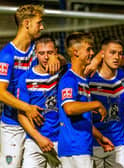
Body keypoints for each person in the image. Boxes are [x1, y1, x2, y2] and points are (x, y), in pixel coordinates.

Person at [0, 4, 60, 168]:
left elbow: (56, 60)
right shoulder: (7, 55)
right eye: (39, 22)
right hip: (13, 126)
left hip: (39, 125)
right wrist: (27, 108)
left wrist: (57, 58)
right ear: (27, 24)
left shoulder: (36, 50)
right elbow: (0, 93)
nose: (42, 26)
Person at [57, 32, 114, 168]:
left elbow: (82, 119)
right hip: (75, 148)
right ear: (76, 52)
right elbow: (69, 108)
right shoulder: (70, 79)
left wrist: (99, 137)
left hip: (81, 146)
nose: (91, 52)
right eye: (88, 49)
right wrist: (96, 104)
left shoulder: (82, 80)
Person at [17, 34, 66, 168]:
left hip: (60, 140)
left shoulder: (64, 73)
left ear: (56, 52)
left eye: (50, 53)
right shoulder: (26, 79)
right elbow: (21, 116)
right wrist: (39, 139)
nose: (45, 57)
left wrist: (61, 59)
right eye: (41, 53)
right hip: (35, 141)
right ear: (36, 54)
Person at [89, 38, 124, 168]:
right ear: (102, 54)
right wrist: (94, 61)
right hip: (94, 142)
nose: (117, 57)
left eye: (119, 53)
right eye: (112, 52)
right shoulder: (88, 77)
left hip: (118, 143)